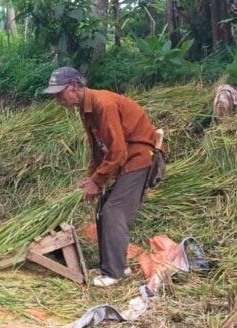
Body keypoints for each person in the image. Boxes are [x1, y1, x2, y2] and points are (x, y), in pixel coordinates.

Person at [43, 67, 157, 287]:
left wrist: (98, 180)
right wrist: (91, 178)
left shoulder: (103, 104)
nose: (58, 99)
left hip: (138, 158)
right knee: (104, 209)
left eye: (60, 93)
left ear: (75, 87)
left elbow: (118, 150)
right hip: (123, 159)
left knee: (114, 211)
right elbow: (98, 148)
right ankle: (114, 264)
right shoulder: (85, 109)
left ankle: (114, 273)